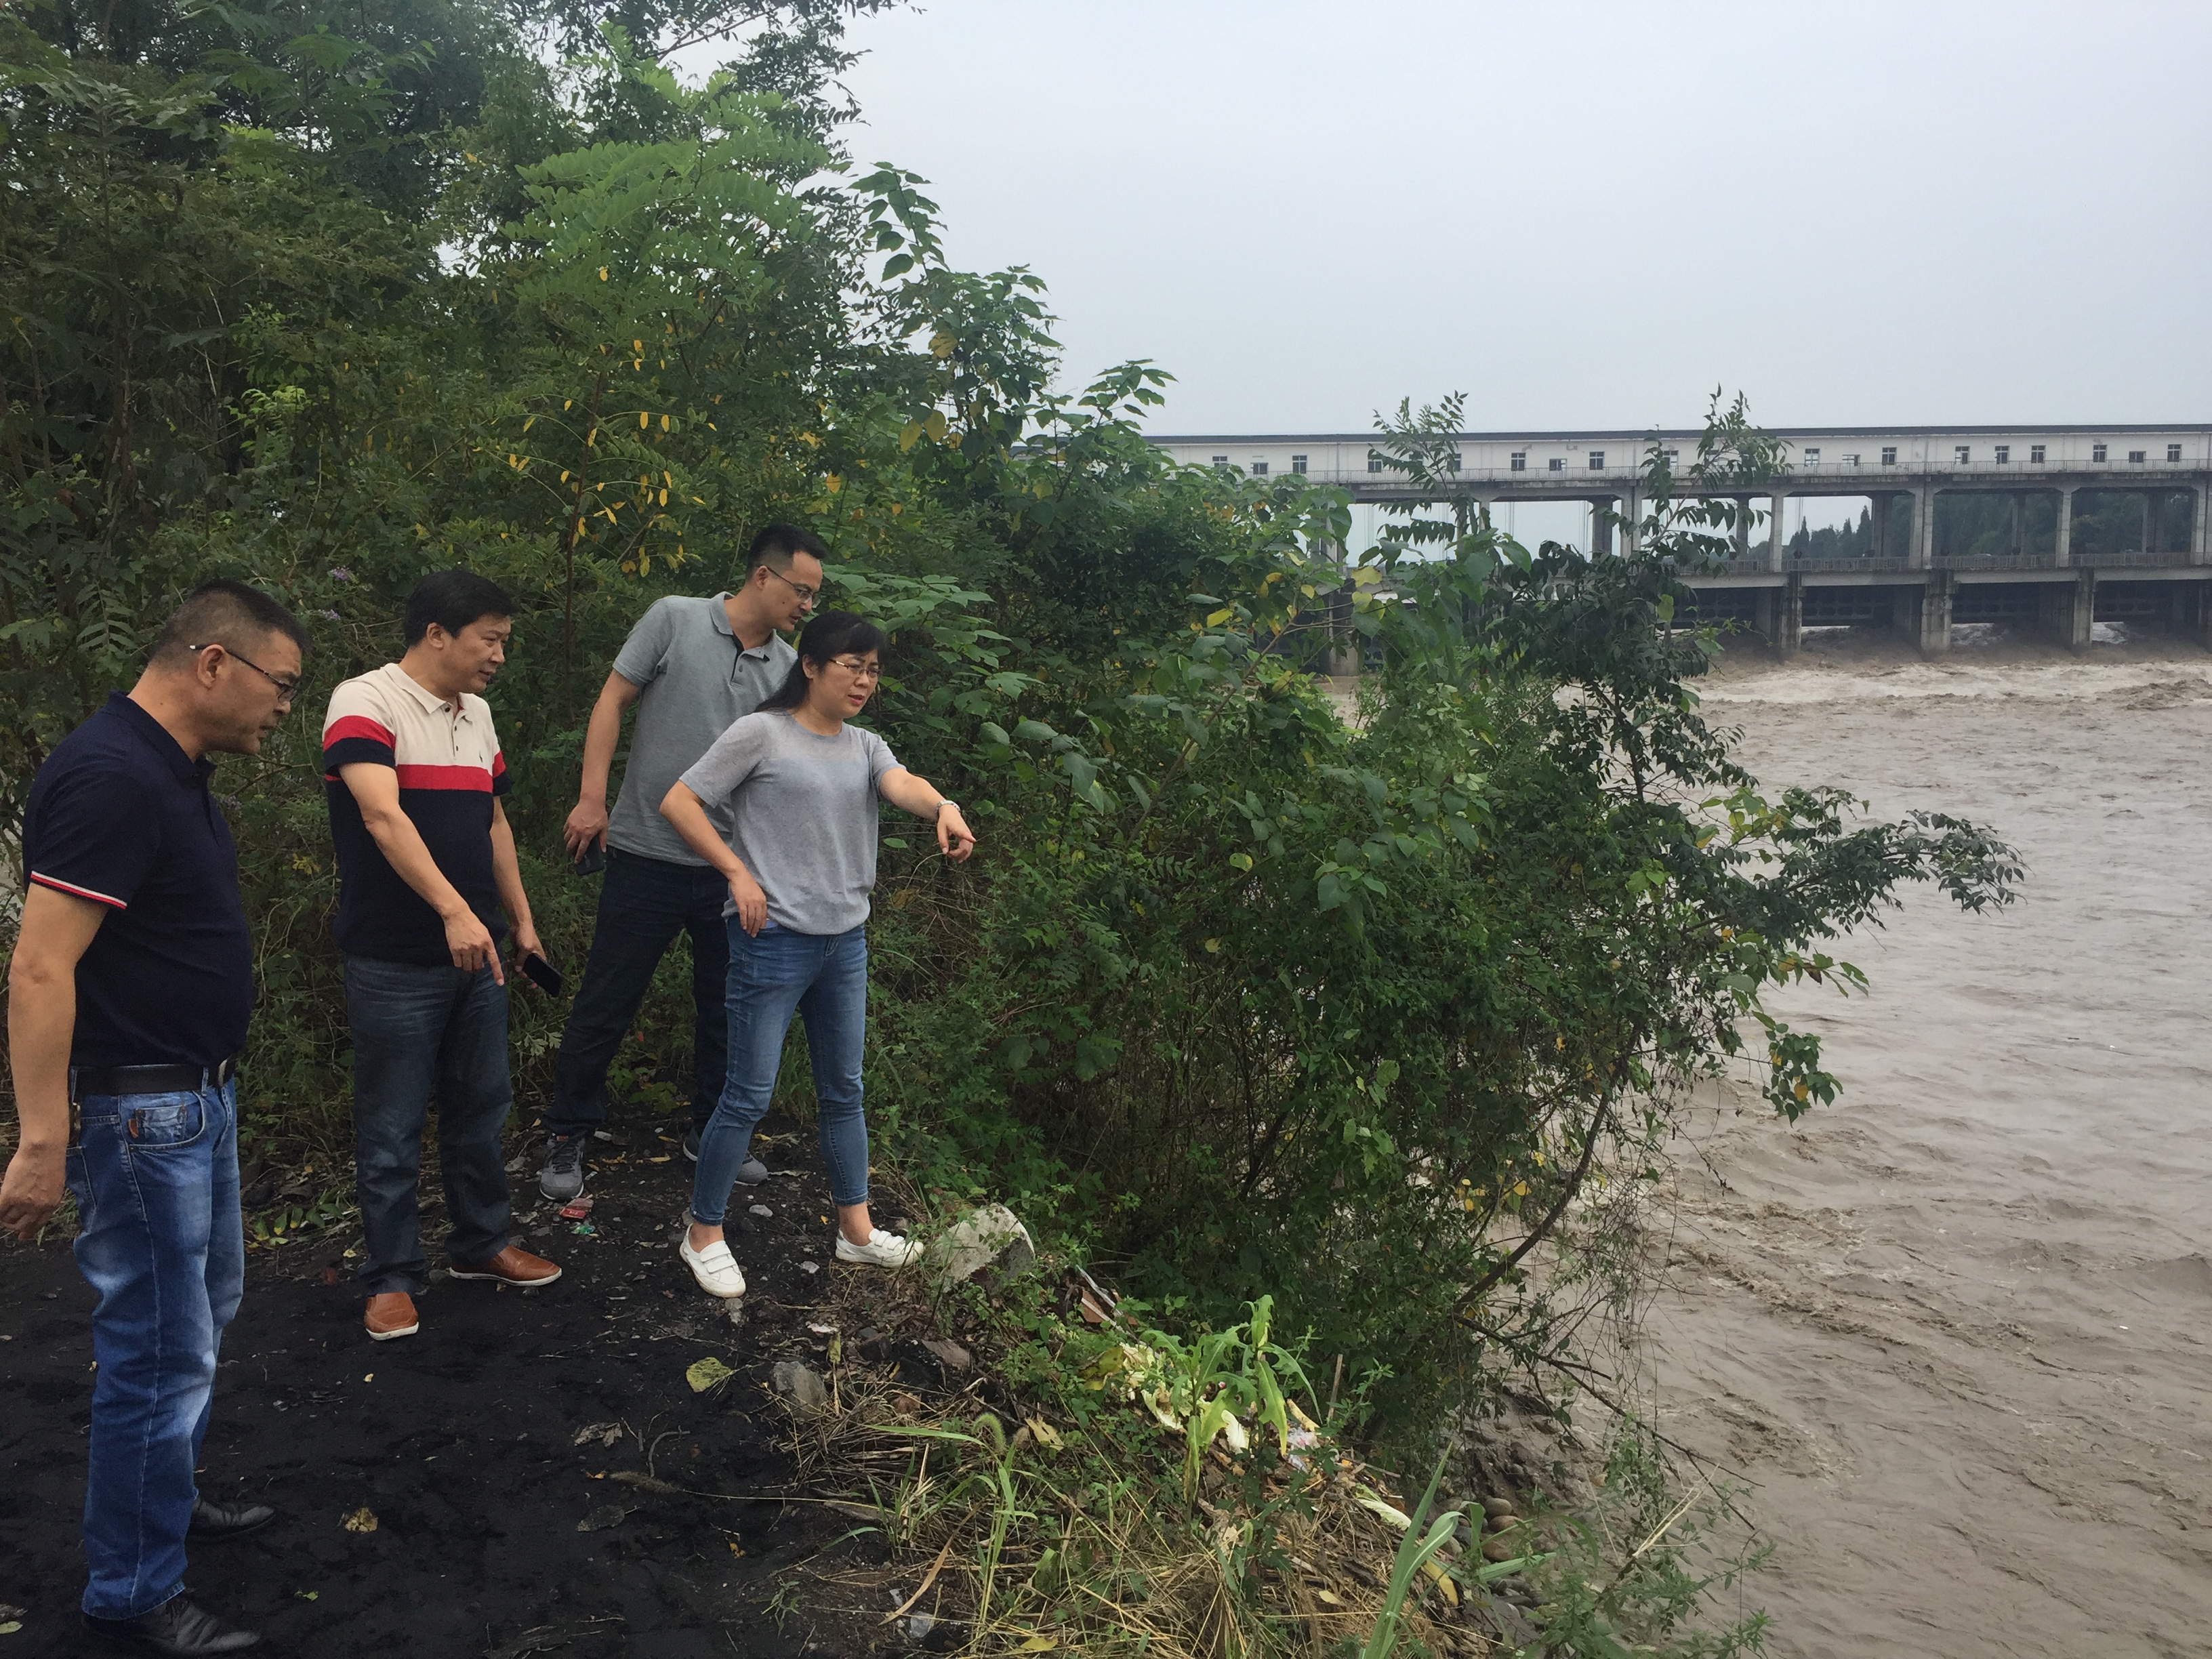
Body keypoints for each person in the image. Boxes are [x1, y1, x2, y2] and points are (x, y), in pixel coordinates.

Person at [1, 580, 307, 1656]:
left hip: (194, 1098)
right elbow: (41, 968)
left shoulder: (170, 770)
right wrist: (43, 1140)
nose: (286, 708)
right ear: (214, 663)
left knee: (199, 1320)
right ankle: (133, 1585)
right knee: (159, 1351)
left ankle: (159, 1499)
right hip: (142, 1117)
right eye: (282, 684)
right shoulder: (113, 776)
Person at [657, 611, 977, 1298]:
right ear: (810, 666)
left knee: (844, 1089)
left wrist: (944, 806)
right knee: (748, 1093)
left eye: (873, 670)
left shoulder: (865, 746)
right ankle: (703, 1232)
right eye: (851, 666)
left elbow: (903, 783)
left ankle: (856, 1231)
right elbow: (679, 802)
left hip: (844, 942)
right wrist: (736, 873)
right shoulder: (761, 733)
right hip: (772, 941)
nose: (864, 681)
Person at [538, 525, 828, 1202]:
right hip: (646, 850)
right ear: (763, 575)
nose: (807, 606)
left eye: (816, 596)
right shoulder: (674, 619)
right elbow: (611, 699)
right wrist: (592, 799)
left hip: (731, 869)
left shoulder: (789, 669)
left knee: (728, 1011)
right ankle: (568, 1130)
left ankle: (711, 1131)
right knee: (607, 999)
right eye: (801, 591)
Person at [321, 570, 559, 1344]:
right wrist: (454, 911)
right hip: (394, 958)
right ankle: (391, 1277)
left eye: (504, 642)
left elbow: (493, 822)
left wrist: (520, 921)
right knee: (391, 1123)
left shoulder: (477, 714)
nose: (499, 657)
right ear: (436, 634)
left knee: (481, 1108)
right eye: (490, 640)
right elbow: (381, 817)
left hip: (479, 955)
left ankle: (481, 1244)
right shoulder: (365, 701)